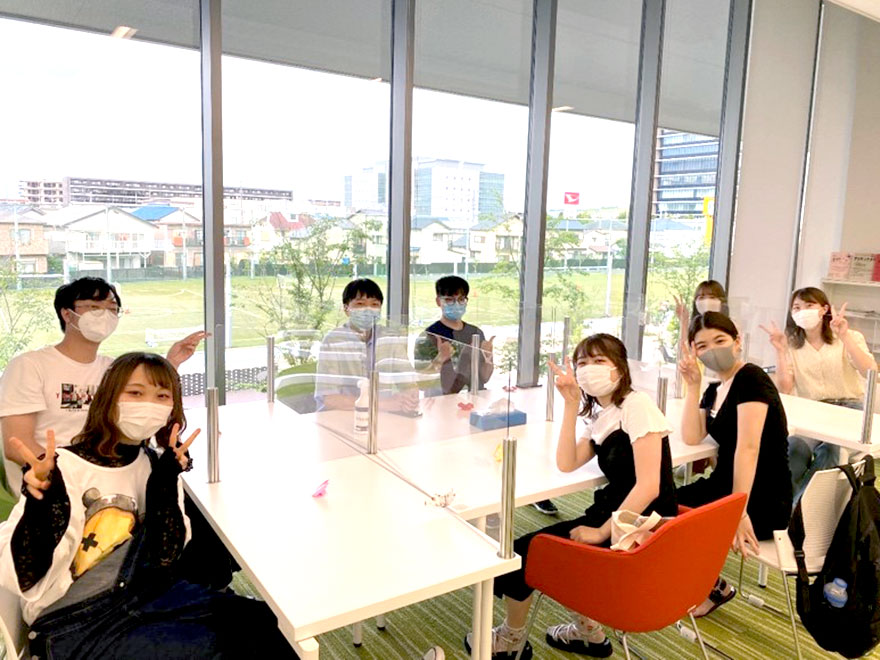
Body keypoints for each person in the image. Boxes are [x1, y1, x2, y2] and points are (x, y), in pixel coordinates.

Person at [0, 352, 297, 659]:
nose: (149, 404)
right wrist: (42, 503)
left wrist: (166, 480)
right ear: (108, 398)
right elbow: (24, 577)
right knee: (222, 649)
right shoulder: (65, 467)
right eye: (135, 393)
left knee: (267, 622)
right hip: (75, 623)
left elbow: (165, 558)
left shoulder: (153, 462)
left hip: (145, 596)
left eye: (162, 396)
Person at [466, 334, 676, 659]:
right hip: (618, 517)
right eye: (582, 363)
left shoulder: (638, 406)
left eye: (599, 361)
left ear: (620, 368)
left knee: (519, 554)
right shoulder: (605, 414)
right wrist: (570, 404)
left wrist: (602, 532)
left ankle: (512, 639)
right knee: (540, 548)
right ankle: (589, 634)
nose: (589, 369)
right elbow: (567, 463)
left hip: (636, 527)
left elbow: (650, 486)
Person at [0, 277, 205, 492]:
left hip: (111, 481)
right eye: (94, 307)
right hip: (51, 486)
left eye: (112, 309)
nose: (105, 315)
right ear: (67, 314)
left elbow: (146, 409)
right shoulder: (30, 366)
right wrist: (68, 476)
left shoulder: (113, 369)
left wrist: (171, 364)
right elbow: (17, 445)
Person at [677, 312, 792, 617]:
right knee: (661, 504)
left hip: (761, 498)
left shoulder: (751, 379)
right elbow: (691, 436)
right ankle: (711, 583)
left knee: (676, 519)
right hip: (724, 487)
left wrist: (738, 510)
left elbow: (748, 448)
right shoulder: (715, 389)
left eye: (720, 340)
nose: (712, 350)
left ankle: (709, 587)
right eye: (702, 346)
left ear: (737, 342)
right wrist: (693, 385)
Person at [761, 287, 877, 499]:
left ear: (824, 309)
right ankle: (784, 509)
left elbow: (870, 371)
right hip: (812, 410)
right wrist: (780, 351)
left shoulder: (850, 336)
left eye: (809, 305)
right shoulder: (792, 344)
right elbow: (785, 388)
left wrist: (844, 336)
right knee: (793, 450)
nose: (802, 311)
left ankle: (801, 511)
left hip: (848, 409)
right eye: (796, 307)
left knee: (831, 451)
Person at [314, 278, 418, 414]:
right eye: (360, 304)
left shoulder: (388, 338)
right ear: (346, 309)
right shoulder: (334, 340)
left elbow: (409, 382)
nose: (368, 310)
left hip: (382, 418)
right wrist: (384, 404)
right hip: (340, 417)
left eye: (374, 304)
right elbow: (329, 400)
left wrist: (410, 397)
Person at [413, 275, 494, 396]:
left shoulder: (476, 333)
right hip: (441, 401)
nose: (456, 304)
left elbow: (485, 377)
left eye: (461, 299)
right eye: (449, 300)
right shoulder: (428, 336)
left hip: (474, 398)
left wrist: (488, 358)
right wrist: (440, 359)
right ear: (438, 301)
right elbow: (422, 384)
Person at [674, 279, 729, 353]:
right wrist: (684, 320)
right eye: (701, 298)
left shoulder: (731, 327)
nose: (707, 301)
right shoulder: (694, 328)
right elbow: (685, 351)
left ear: (722, 301)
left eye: (712, 297)